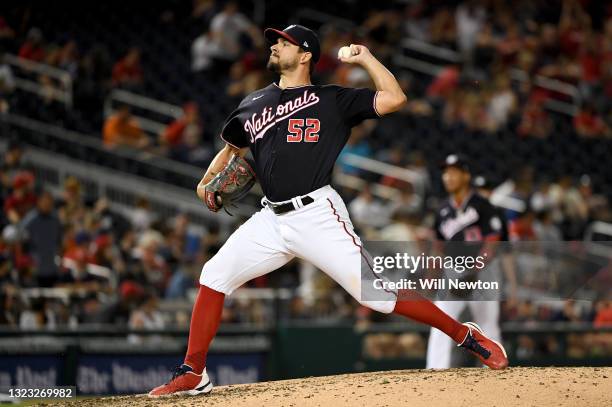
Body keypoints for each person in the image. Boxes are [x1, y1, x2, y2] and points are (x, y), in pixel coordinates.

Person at [149, 25, 507, 397]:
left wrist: (366, 57)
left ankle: (465, 334)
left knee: (377, 297)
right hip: (270, 218)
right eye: (276, 40)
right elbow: (232, 151)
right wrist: (204, 182)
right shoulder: (253, 102)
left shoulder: (332, 100)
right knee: (214, 274)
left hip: (317, 214)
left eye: (284, 42)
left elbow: (394, 98)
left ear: (305, 55)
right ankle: (194, 371)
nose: (275, 45)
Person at [426, 155, 505, 369]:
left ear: (466, 175)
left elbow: (492, 243)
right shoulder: (442, 209)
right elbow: (438, 247)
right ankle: (434, 372)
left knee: (488, 324)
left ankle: (495, 371)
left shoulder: (483, 206)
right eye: (445, 172)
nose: (448, 177)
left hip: (482, 272)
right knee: (439, 321)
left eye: (453, 172)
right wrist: (433, 276)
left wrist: (475, 271)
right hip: (453, 271)